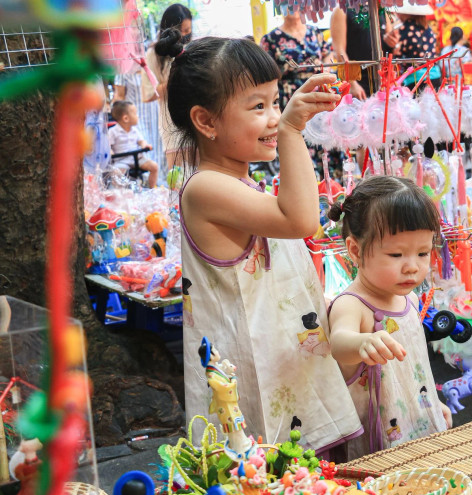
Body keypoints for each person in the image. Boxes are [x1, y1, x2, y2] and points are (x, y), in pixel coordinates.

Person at [162, 35, 362, 452]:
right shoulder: (205, 188)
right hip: (254, 392)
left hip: (287, 374)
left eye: (275, 102)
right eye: (258, 106)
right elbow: (301, 219)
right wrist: (291, 131)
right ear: (206, 122)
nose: (274, 117)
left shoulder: (238, 180)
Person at [327, 177, 452, 459]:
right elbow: (339, 341)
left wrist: (432, 402)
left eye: (423, 252)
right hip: (379, 442)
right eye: (396, 254)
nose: (412, 267)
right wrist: (362, 342)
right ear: (355, 250)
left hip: (417, 424)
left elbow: (414, 367)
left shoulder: (409, 298)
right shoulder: (352, 304)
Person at [141, 3, 193, 171]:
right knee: (177, 177)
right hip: (171, 121)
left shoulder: (192, 48)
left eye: (188, 31)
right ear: (171, 28)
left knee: (201, 174)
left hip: (196, 117)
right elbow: (148, 94)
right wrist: (175, 80)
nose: (186, 35)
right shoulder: (154, 54)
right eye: (183, 31)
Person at [260, 10, 331, 110]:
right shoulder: (270, 39)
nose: (293, 7)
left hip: (318, 91)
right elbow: (264, 73)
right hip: (289, 96)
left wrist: (326, 71)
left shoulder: (314, 31)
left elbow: (327, 53)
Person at [112, 66, 164, 179]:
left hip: (154, 113)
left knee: (156, 147)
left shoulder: (150, 66)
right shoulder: (123, 71)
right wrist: (116, 115)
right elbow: (119, 96)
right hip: (132, 113)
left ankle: (157, 184)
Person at [330, 8, 394, 99]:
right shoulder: (342, 10)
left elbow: (391, 45)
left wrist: (392, 41)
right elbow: (339, 51)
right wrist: (351, 82)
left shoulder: (381, 10)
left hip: (380, 80)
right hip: (357, 82)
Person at [108, 101, 160, 188]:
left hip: (137, 159)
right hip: (122, 160)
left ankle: (152, 188)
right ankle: (120, 193)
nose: (137, 116)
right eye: (135, 113)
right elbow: (108, 146)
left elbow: (141, 141)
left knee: (154, 166)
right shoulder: (113, 131)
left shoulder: (135, 130)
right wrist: (110, 152)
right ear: (126, 118)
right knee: (116, 173)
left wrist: (145, 145)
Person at [390, 4, 441, 89]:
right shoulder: (428, 29)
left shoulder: (404, 28)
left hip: (415, 79)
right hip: (435, 75)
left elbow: (397, 53)